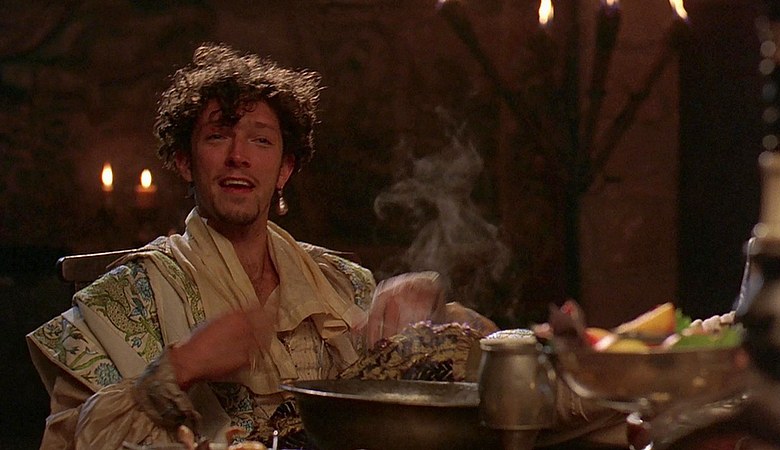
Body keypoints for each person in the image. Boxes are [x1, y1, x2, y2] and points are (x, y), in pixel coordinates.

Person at [26, 43, 503, 449]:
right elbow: (71, 438)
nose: (239, 156)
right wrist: (182, 365)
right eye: (218, 137)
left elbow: (486, 379)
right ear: (185, 162)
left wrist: (437, 319)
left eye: (260, 141)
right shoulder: (128, 296)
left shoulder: (342, 287)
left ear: (284, 170)